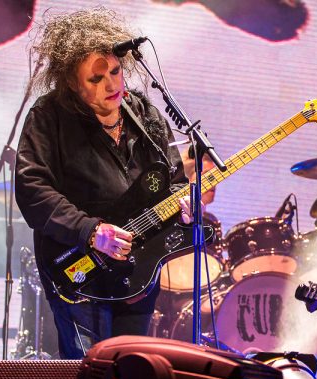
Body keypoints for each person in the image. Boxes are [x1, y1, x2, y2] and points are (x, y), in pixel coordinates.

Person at [15, 8, 196, 359]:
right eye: (96, 79)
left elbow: (170, 183)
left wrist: (184, 208)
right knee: (90, 375)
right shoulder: (49, 116)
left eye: (115, 72)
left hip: (139, 276)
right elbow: (31, 187)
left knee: (132, 378)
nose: (111, 84)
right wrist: (91, 230)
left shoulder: (145, 115)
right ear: (71, 82)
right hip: (79, 269)